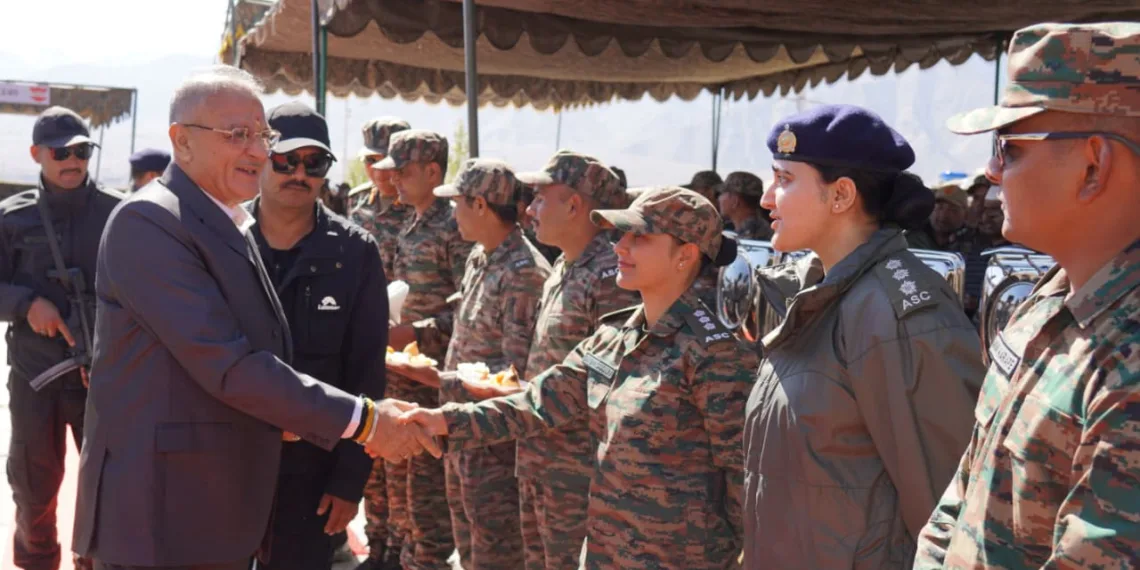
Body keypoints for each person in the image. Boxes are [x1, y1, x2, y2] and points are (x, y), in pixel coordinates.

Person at [73, 65, 438, 570]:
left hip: (214, 509)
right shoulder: (151, 222)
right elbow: (228, 364)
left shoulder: (223, 221)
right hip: (163, 519)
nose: (256, 151)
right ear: (182, 141)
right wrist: (367, 422)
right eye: (236, 135)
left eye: (261, 136)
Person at [401, 186, 757, 569]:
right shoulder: (613, 337)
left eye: (640, 238)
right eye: (622, 234)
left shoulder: (716, 354)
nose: (620, 246)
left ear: (685, 255)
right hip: (605, 554)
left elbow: (745, 479)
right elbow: (539, 402)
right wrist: (444, 422)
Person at [914, 22, 1140, 569]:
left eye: (1009, 148)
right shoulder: (1046, 301)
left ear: (1093, 166)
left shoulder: (1128, 357)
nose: (992, 172)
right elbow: (965, 493)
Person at [743, 104, 985, 569]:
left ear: (841, 195)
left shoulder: (895, 316)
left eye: (784, 180)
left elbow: (946, 508)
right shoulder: (818, 297)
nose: (768, 199)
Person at [247, 101, 389, 570]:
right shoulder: (223, 238)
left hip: (311, 469)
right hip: (227, 460)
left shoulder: (355, 252)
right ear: (260, 157)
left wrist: (350, 481)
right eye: (286, 160)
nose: (299, 173)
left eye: (315, 162)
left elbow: (366, 374)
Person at [392, 158, 551, 569]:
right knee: (469, 548)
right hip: (463, 434)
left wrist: (436, 378)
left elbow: (514, 374)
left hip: (494, 444)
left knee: (496, 554)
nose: (453, 213)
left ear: (480, 205)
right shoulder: (482, 257)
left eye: (458, 202)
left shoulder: (524, 273)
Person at [0, 106, 121, 570]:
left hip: (104, 376)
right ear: (37, 154)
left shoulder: (119, 213)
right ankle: (37, 561)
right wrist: (26, 304)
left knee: (108, 491)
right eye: (60, 153)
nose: (72, 161)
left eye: (82, 152)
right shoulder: (13, 218)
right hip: (37, 376)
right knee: (34, 488)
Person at [510, 150, 640, 570]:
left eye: (540, 198)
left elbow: (616, 382)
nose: (530, 210)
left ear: (574, 205)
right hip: (541, 455)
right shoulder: (564, 265)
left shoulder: (611, 276)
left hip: (576, 470)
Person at [372, 129, 468, 570]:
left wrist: (414, 334)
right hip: (401, 374)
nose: (394, 180)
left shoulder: (455, 228)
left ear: (432, 172)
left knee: (427, 499)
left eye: (403, 172)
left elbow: (467, 313)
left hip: (434, 381)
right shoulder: (410, 222)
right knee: (400, 489)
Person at [347, 116, 412, 570]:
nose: (379, 171)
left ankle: (400, 553)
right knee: (368, 457)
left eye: (387, 161)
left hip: (411, 353)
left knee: (404, 467)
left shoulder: (424, 210)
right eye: (371, 161)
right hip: (366, 348)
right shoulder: (358, 205)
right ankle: (378, 544)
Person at [716, 171, 772, 240]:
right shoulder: (758, 227)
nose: (719, 199)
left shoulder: (749, 235)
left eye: (722, 193)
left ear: (735, 200)